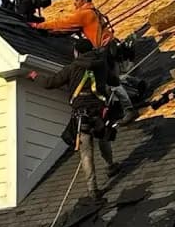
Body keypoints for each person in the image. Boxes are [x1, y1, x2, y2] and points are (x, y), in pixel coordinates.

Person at [27, 39, 121, 199]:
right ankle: (111, 165)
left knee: (86, 152)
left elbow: (50, 83)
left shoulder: (72, 68)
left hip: (81, 115)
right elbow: (115, 81)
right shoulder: (101, 65)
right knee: (104, 139)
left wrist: (35, 76)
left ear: (77, 52)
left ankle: (93, 190)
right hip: (98, 112)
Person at [30, 0, 139, 124]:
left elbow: (62, 23)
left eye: (76, 1)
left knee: (112, 83)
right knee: (112, 77)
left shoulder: (85, 14)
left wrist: (38, 26)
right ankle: (137, 84)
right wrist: (53, 33)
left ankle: (129, 109)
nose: (75, 4)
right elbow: (69, 30)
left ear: (83, 0)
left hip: (104, 50)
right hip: (111, 48)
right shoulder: (94, 12)